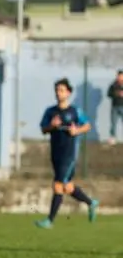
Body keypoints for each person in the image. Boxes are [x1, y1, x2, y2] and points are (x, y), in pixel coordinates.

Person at [35, 78, 99, 228]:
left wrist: (77, 130)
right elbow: (43, 129)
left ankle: (49, 221)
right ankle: (91, 203)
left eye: (62, 90)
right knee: (68, 187)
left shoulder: (75, 111)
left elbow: (87, 125)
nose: (59, 93)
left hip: (69, 154)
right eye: (57, 90)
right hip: (55, 153)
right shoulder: (50, 111)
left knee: (57, 185)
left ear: (69, 92)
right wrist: (51, 126)